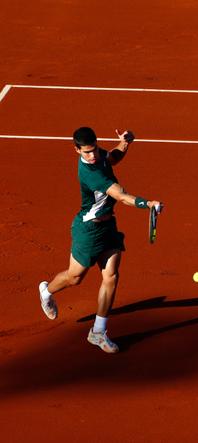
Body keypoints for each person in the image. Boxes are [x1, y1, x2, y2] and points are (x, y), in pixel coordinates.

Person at [38, 127, 163, 353]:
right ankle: (47, 291)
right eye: (86, 152)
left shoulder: (99, 155)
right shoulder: (89, 173)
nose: (92, 155)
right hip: (88, 230)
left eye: (94, 149)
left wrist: (124, 144)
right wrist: (147, 204)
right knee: (75, 278)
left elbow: (112, 157)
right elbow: (121, 196)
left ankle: (98, 331)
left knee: (111, 275)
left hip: (108, 227)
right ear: (76, 150)